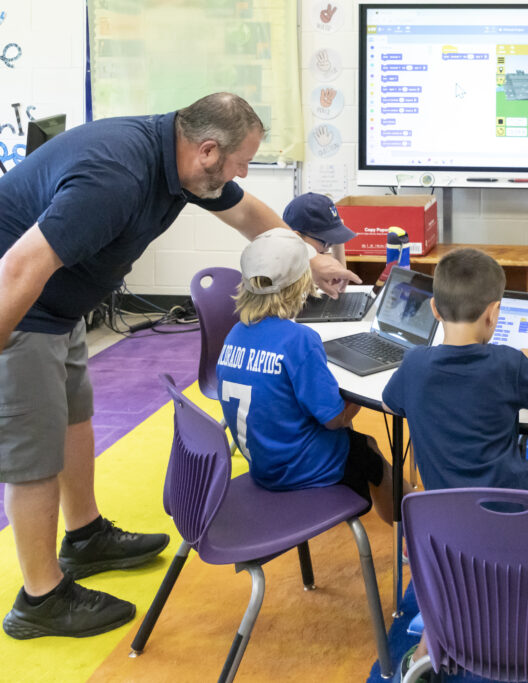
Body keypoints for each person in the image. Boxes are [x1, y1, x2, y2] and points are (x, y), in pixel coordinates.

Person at [0, 92, 359, 640]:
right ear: (209, 151)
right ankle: (40, 598)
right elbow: (18, 268)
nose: (241, 174)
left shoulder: (180, 159)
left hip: (62, 304)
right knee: (33, 452)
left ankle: (85, 536)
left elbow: (250, 216)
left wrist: (311, 259)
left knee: (74, 417)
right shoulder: (116, 177)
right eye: (240, 163)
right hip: (23, 306)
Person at [381, 247, 528, 680]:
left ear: (433, 309)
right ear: (495, 314)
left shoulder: (414, 365)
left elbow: (393, 402)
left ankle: (433, 645)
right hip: (519, 523)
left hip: (444, 536)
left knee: (463, 572)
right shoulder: (507, 363)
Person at [216, 229, 397, 519]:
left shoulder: (235, 333)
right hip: (294, 468)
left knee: (343, 436)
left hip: (262, 463)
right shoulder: (299, 339)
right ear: (302, 283)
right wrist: (364, 389)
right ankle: (408, 535)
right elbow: (334, 420)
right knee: (368, 450)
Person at [282, 192, 357, 290]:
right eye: (324, 242)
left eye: (331, 242)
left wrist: (337, 240)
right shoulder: (283, 274)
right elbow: (337, 289)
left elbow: (338, 287)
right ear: (296, 237)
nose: (326, 250)